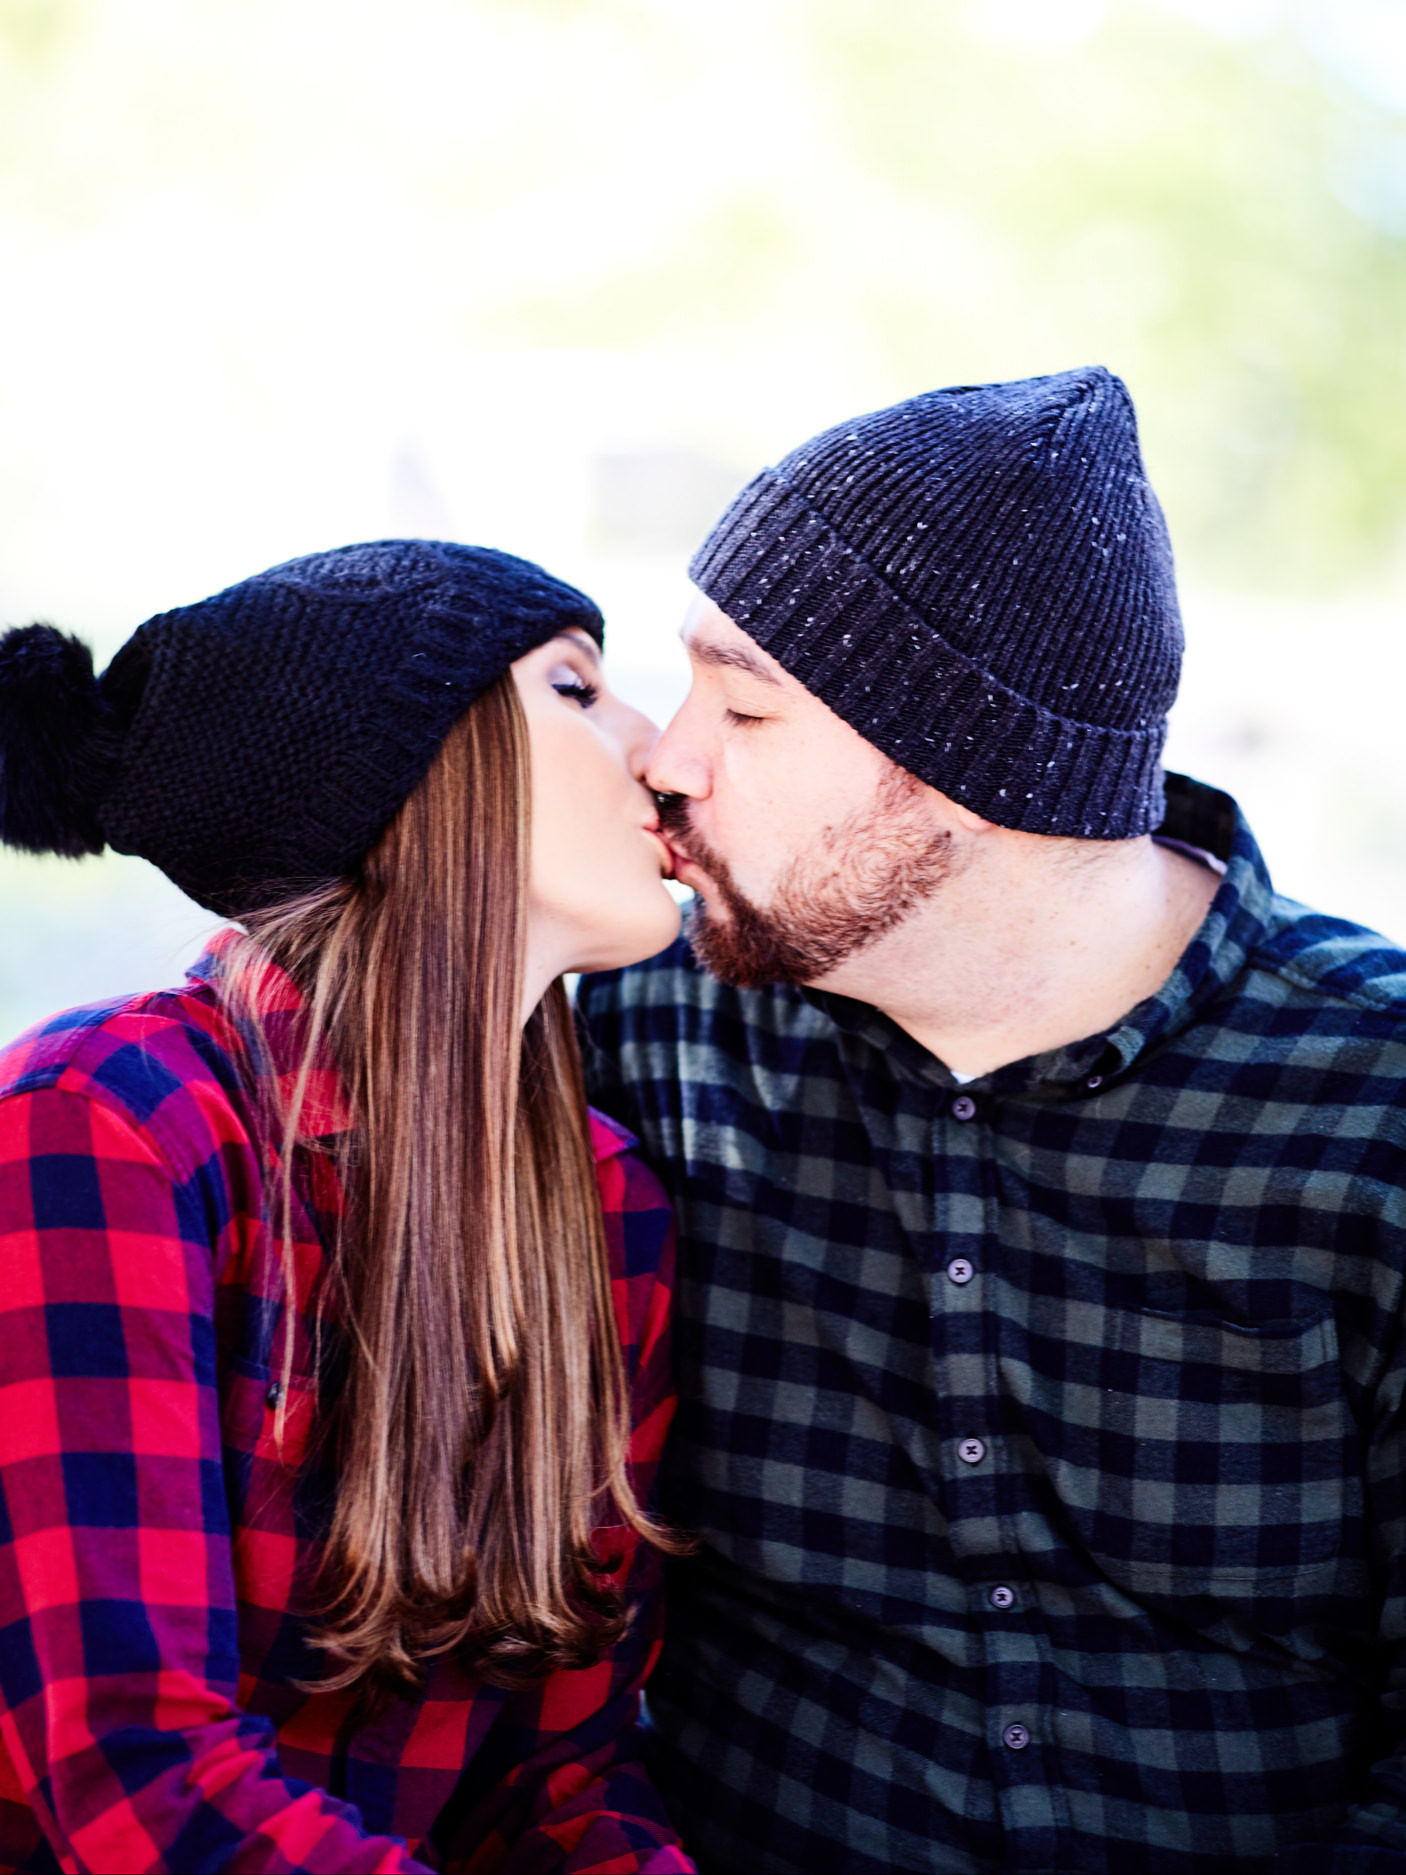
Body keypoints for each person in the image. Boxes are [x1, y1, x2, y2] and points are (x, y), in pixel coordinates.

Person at [577, 367, 1406, 1873]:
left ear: (965, 775)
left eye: (742, 705)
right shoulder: (648, 1022)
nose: (666, 757)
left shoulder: (1370, 1105)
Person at [0, 540, 697, 1873]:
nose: (657, 749)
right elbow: (134, 1773)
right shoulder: (108, 1126)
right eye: (574, 689)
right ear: (412, 775)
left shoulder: (610, 1212)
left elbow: (560, 1789)